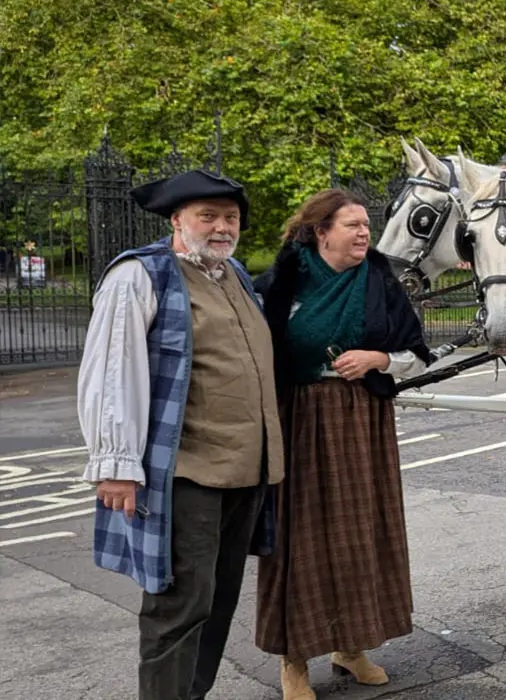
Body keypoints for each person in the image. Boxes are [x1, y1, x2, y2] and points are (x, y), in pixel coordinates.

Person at [77, 169, 285, 700]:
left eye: (230, 218)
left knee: (217, 601)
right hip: (186, 471)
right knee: (178, 606)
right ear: (177, 220)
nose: (221, 228)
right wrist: (116, 465)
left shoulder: (234, 273)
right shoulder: (141, 275)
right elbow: (111, 369)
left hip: (247, 471)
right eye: (208, 217)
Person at [251, 188, 433, 700]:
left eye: (365, 225)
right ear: (319, 231)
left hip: (362, 422)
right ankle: (295, 660)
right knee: (300, 540)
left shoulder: (379, 280)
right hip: (299, 420)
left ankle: (350, 648)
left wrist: (377, 359)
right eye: (351, 225)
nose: (363, 233)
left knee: (361, 537)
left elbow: (417, 354)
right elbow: (256, 354)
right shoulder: (282, 284)